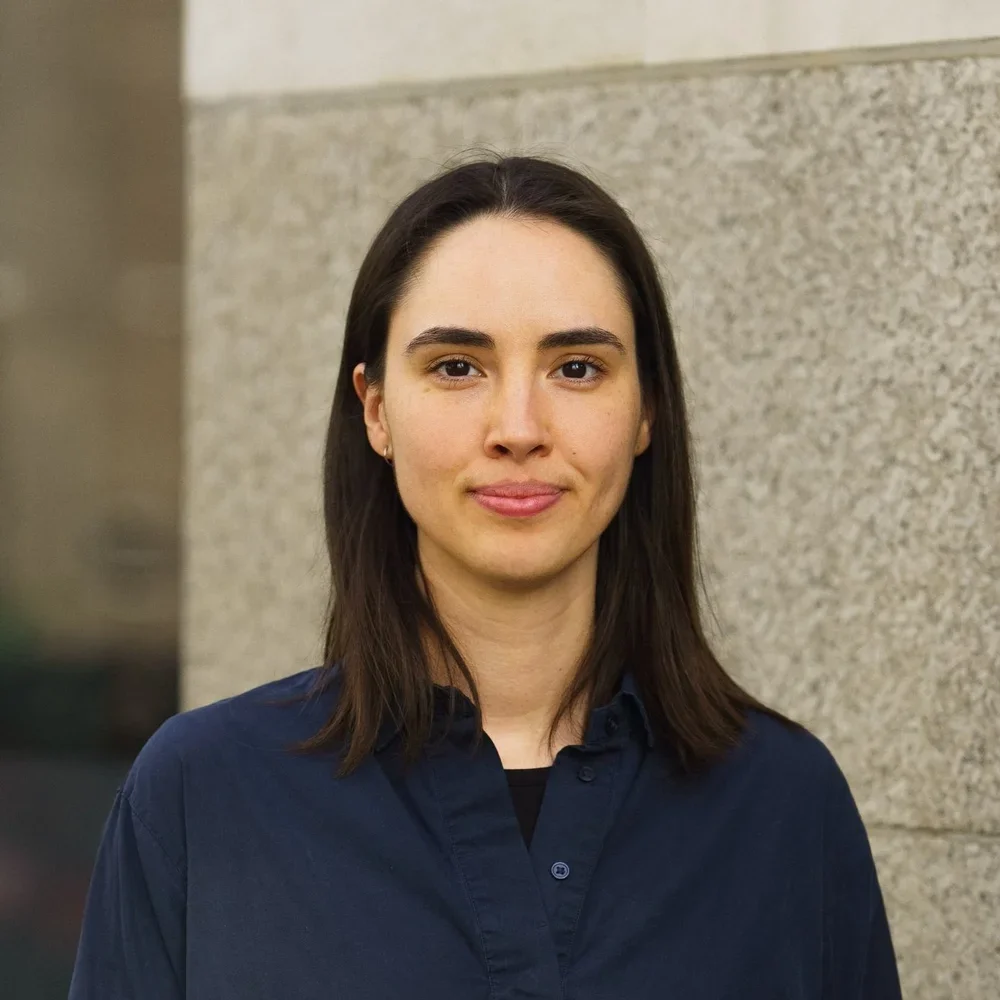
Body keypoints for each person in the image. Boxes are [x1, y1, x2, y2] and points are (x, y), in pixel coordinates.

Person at [69, 154, 902, 999]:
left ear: (646, 410)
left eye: (576, 367)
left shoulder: (786, 806)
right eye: (457, 367)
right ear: (376, 410)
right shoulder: (202, 794)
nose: (518, 428)